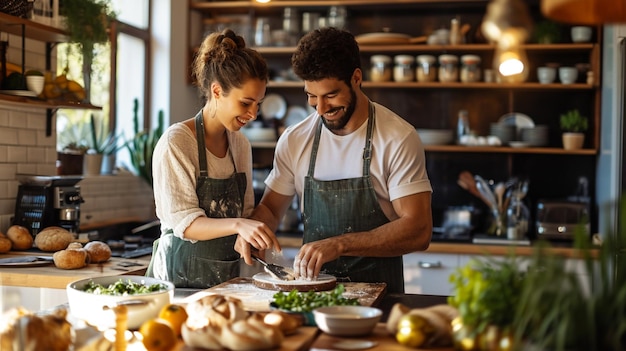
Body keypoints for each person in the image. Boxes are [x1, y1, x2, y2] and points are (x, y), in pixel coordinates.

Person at [236, 27, 433, 293]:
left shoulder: (397, 138)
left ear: (356, 78)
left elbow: (419, 230)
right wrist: (254, 231)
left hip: (380, 298)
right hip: (312, 297)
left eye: (330, 95)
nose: (321, 109)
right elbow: (271, 210)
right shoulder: (295, 139)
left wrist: (339, 245)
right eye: (311, 96)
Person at [147, 29, 281, 288]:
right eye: (245, 103)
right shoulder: (177, 142)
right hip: (177, 284)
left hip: (224, 283)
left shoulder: (240, 143)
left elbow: (246, 212)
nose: (253, 114)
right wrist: (241, 225)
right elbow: (185, 225)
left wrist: (250, 237)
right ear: (217, 91)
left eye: (258, 104)